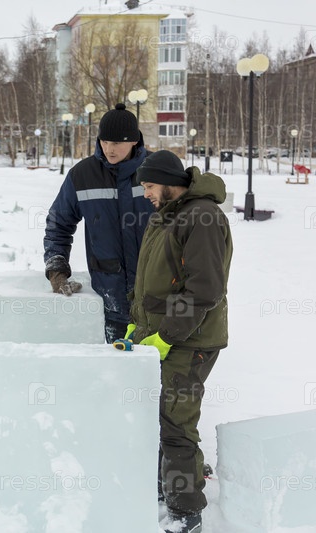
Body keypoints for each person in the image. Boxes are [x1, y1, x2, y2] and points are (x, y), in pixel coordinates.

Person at [126, 150, 233, 533]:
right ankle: (165, 489)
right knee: (161, 418)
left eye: (150, 185)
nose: (146, 193)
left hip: (190, 340)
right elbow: (152, 282)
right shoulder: (168, 215)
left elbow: (204, 289)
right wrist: (137, 327)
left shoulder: (201, 216)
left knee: (176, 425)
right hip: (165, 335)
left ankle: (186, 513)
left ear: (171, 182)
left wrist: (166, 336)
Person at [43, 103, 155, 342]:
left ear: (134, 141)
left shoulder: (157, 170)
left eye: (116, 143)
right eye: (104, 141)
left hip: (158, 302)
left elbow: (185, 223)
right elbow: (58, 224)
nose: (109, 149)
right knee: (116, 364)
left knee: (155, 366)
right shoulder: (83, 175)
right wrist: (56, 269)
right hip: (111, 302)